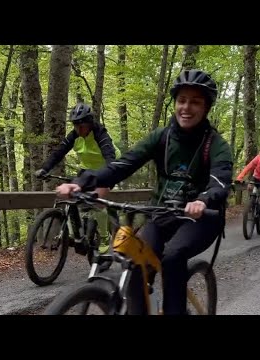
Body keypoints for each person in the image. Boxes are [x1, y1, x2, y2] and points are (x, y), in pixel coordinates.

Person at [56, 69, 233, 315]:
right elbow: (124, 164)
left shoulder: (216, 145)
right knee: (135, 262)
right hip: (162, 214)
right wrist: (83, 182)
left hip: (201, 218)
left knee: (172, 257)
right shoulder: (162, 137)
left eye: (195, 102)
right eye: (182, 100)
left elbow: (221, 180)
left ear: (206, 108)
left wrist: (203, 200)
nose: (186, 107)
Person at [35, 102, 121, 254]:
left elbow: (110, 157)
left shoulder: (100, 134)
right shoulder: (74, 135)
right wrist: (45, 168)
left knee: (97, 200)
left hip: (109, 168)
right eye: (76, 126)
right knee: (70, 194)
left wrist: (107, 176)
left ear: (90, 123)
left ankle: (104, 236)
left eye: (82, 126)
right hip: (87, 169)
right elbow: (59, 153)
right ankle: (79, 234)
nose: (79, 129)